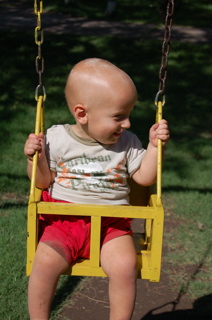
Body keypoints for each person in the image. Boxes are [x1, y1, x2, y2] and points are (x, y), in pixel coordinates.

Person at [24, 58, 170, 320]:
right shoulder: (56, 139)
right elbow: (43, 181)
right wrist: (34, 159)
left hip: (111, 225)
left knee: (125, 266)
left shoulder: (127, 142)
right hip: (64, 222)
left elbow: (145, 177)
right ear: (82, 114)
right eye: (118, 116)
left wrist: (154, 147)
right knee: (44, 263)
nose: (126, 123)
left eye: (128, 115)